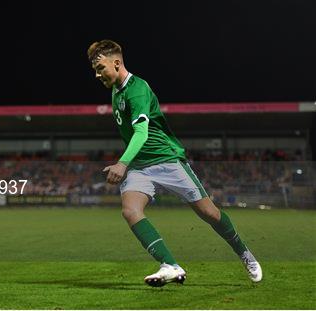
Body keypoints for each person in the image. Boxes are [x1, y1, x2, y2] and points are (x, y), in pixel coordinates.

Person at [88, 40, 262, 287]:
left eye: (100, 67)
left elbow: (141, 133)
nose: (97, 74)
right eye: (94, 69)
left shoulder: (137, 89)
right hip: (140, 166)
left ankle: (245, 253)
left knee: (210, 214)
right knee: (130, 211)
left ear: (116, 63)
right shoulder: (116, 90)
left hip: (167, 160)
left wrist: (122, 163)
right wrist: (130, 163)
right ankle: (170, 265)